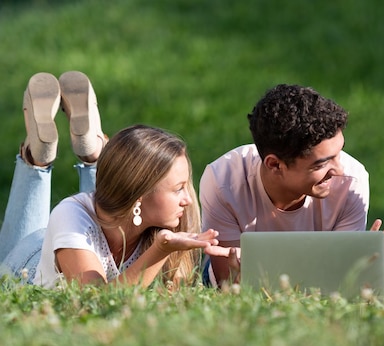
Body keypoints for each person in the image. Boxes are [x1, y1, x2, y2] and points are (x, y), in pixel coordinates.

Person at [0, 71, 228, 289]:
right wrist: (160, 250)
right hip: (29, 261)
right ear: (140, 194)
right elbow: (95, 299)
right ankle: (40, 161)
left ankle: (90, 154)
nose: (188, 199)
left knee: (109, 204)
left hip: (79, 237)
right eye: (178, 189)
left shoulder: (166, 223)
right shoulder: (70, 215)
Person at [199, 84, 384, 287]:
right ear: (275, 165)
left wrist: (361, 261)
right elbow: (231, 282)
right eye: (323, 163)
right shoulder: (223, 182)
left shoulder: (352, 181)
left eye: (339, 153)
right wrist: (337, 263)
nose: (339, 170)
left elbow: (341, 281)